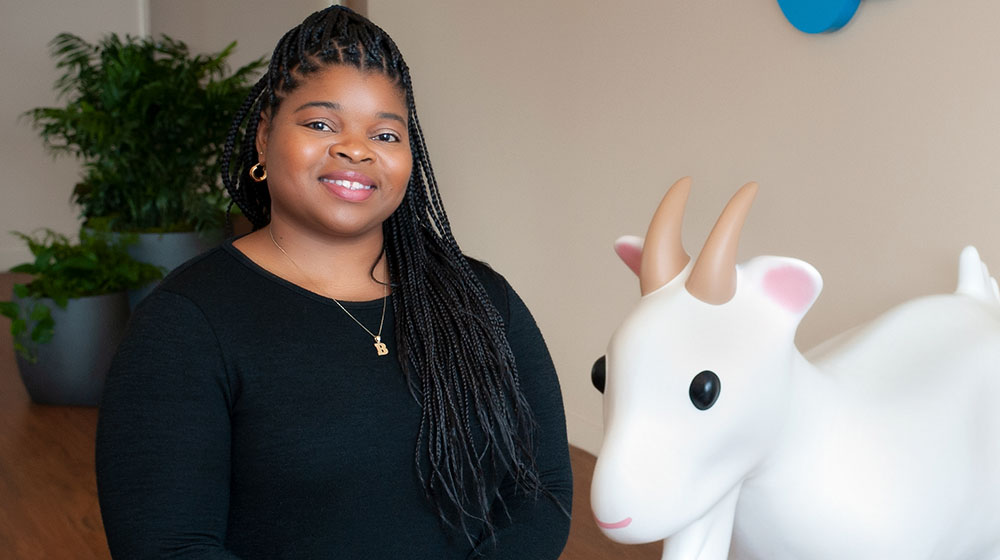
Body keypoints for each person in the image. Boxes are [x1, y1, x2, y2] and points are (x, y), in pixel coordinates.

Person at [95, 6, 572, 559]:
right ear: (263, 138)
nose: (356, 148)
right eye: (321, 124)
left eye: (385, 134)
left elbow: (543, 491)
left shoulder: (480, 300)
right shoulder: (184, 324)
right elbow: (168, 545)